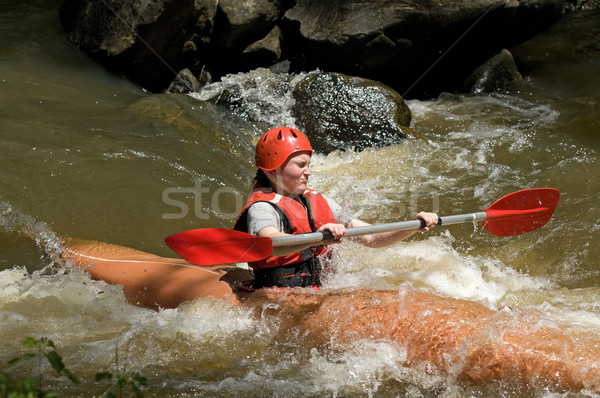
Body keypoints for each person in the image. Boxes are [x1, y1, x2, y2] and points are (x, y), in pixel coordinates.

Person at [234, 127, 438, 289]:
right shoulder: (262, 208)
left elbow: (372, 238)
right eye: (300, 165)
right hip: (279, 297)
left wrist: (413, 225)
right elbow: (271, 242)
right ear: (272, 171)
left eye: (309, 164)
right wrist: (318, 237)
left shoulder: (319, 200)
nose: (309, 172)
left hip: (322, 289)